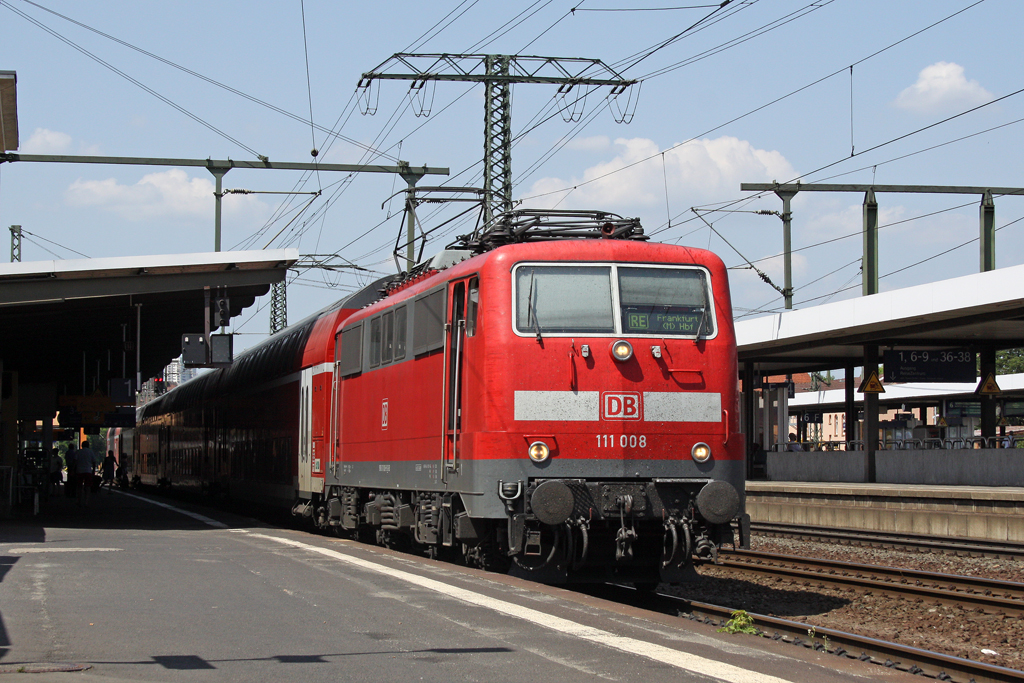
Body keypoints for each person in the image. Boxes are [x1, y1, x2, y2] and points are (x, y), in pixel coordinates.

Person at [75, 440, 99, 506]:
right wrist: (93, 471)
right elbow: (94, 462)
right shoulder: (90, 452)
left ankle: (78, 500)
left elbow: (75, 461)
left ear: (82, 445)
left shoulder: (78, 452)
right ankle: (86, 501)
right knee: (87, 487)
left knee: (79, 487)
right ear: (88, 446)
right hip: (88, 471)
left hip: (79, 471)